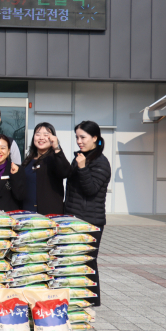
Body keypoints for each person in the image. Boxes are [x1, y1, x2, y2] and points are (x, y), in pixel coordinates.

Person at [65, 121, 111, 307]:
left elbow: (91, 190)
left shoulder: (101, 162)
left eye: (83, 137)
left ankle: (92, 300)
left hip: (90, 220)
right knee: (74, 259)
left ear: (95, 138)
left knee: (88, 260)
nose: (79, 141)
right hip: (74, 217)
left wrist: (82, 168)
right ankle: (77, 297)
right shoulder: (81, 157)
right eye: (77, 137)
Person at [21, 123, 71, 214]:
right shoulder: (28, 160)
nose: (41, 138)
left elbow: (65, 172)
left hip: (49, 213)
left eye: (46, 135)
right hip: (27, 212)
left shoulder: (55, 158)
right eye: (38, 134)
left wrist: (56, 147)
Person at [0, 134, 25, 211]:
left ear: (8, 151)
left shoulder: (17, 169)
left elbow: (20, 196)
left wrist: (15, 176)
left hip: (9, 218)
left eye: (3, 148)